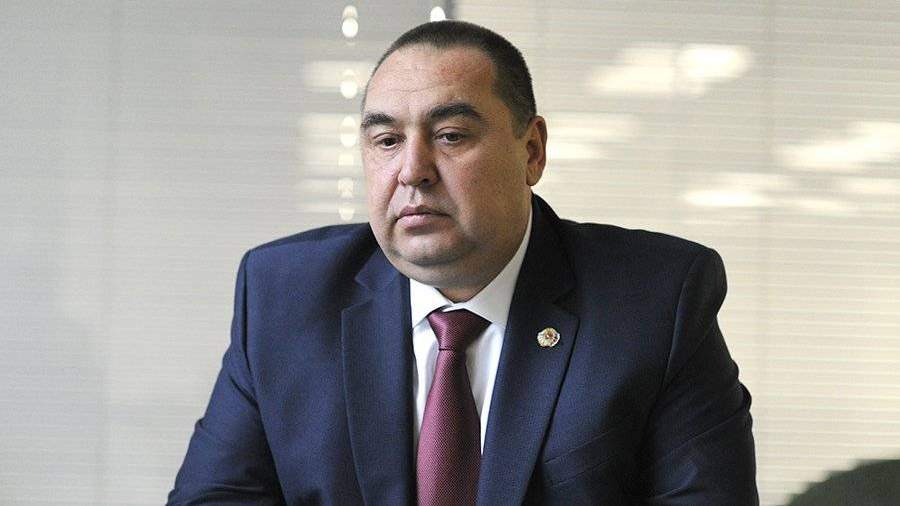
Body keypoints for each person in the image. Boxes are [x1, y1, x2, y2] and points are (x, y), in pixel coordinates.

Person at [169, 20, 758, 505]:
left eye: (450, 135)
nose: (412, 171)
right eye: (386, 141)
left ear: (532, 152)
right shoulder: (284, 295)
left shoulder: (656, 301)